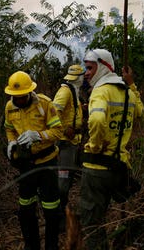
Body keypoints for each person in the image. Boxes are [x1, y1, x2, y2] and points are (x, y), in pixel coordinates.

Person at [78, 49, 144, 250]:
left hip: (96, 169)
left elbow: (97, 120)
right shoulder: (128, 93)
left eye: (90, 68)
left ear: (105, 66)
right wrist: (132, 84)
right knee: (105, 217)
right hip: (119, 168)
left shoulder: (100, 91)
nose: (86, 73)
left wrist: (96, 146)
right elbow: (142, 113)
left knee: (91, 224)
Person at [3, 71, 63, 250]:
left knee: (51, 209)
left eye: (22, 96)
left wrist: (38, 135)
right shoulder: (9, 107)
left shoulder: (45, 104)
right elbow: (9, 129)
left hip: (47, 162)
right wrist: (11, 141)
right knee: (25, 209)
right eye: (16, 97)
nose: (19, 100)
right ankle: (32, 245)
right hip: (26, 165)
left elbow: (58, 132)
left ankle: (52, 246)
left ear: (29, 92)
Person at [52, 64, 85, 221]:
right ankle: (58, 215)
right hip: (65, 143)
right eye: (82, 76)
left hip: (73, 143)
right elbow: (54, 111)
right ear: (78, 78)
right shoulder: (65, 92)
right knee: (63, 180)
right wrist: (64, 129)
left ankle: (64, 211)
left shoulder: (74, 91)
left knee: (69, 177)